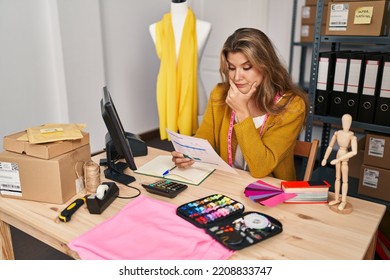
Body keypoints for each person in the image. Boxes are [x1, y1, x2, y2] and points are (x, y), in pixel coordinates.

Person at [171, 27, 308, 181]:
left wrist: (242, 112)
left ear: (266, 66)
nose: (237, 77)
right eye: (231, 68)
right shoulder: (219, 94)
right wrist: (188, 154)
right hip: (229, 184)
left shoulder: (293, 105)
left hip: (271, 190)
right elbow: (204, 138)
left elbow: (261, 167)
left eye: (246, 67)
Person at [149, 0, 212, 139]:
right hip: (167, 91)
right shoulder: (156, 28)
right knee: (175, 148)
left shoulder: (202, 27)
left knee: (191, 141)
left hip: (194, 90)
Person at [321, 114, 357, 211]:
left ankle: (344, 200)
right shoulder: (338, 133)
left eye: (348, 122)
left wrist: (338, 160)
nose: (346, 124)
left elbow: (354, 152)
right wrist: (325, 158)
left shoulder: (352, 136)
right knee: (337, 178)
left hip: (344, 158)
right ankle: (337, 198)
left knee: (345, 180)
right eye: (344, 122)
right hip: (338, 155)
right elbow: (330, 146)